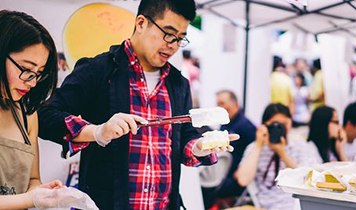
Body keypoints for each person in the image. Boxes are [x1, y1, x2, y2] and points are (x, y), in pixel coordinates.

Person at [37, 1, 238, 209]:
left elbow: (184, 136)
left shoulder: (179, 84)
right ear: (141, 23)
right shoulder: (99, 70)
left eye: (180, 38)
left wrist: (198, 147)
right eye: (168, 34)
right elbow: (45, 115)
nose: (173, 45)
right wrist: (97, 132)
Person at [0, 10, 65, 209]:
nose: (33, 82)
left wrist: (41, 192)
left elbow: (32, 179)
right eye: (26, 69)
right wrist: (30, 199)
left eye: (39, 73)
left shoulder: (27, 114)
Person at [236, 103, 319, 210]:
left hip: (295, 204)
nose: (280, 128)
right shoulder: (255, 148)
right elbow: (243, 180)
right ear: (264, 125)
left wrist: (282, 153)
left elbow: (307, 180)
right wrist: (258, 145)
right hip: (266, 206)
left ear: (290, 122)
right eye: (275, 124)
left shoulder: (299, 146)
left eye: (284, 124)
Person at [215, 90, 256, 201]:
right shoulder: (226, 122)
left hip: (235, 179)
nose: (219, 107)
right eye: (218, 104)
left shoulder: (246, 126)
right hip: (223, 173)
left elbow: (256, 151)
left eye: (222, 103)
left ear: (235, 104)